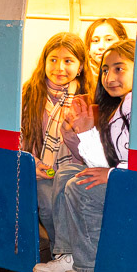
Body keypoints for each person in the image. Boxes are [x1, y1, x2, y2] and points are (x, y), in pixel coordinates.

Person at [33, 39, 136, 272]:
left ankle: (88, 265)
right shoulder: (119, 106)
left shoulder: (135, 107)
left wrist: (85, 132)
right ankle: (67, 254)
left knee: (79, 185)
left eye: (119, 68)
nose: (110, 77)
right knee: (68, 172)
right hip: (119, 175)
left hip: (133, 183)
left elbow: (131, 162)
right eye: (105, 69)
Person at [20, 32, 94, 255]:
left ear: (80, 66)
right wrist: (30, 164)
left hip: (75, 170)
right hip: (39, 170)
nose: (59, 67)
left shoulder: (89, 98)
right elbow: (16, 136)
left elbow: (92, 149)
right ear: (44, 62)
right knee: (49, 203)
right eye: (53, 59)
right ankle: (60, 253)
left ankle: (75, 257)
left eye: (68, 61)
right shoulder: (28, 93)